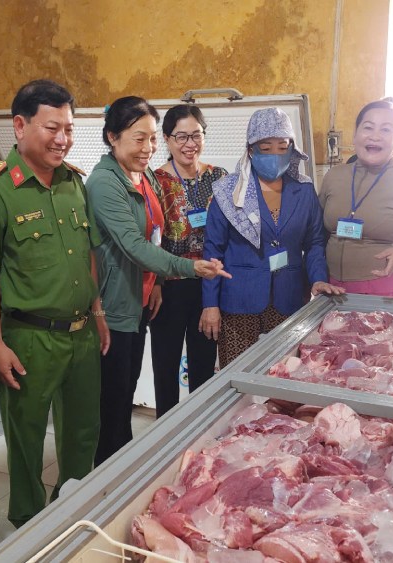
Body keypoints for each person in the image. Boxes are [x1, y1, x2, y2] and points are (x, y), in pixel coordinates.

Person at [0, 80, 107, 528]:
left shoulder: (73, 183)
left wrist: (98, 313)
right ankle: (30, 524)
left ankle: (75, 513)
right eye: (53, 128)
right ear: (20, 126)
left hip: (81, 332)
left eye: (69, 128)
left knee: (83, 431)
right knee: (25, 437)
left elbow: (88, 254)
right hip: (28, 337)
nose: (63, 139)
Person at [87, 96, 230, 465]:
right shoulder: (110, 182)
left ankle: (139, 459)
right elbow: (136, 244)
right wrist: (185, 270)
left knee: (129, 387)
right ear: (112, 137)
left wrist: (161, 281)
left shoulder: (145, 176)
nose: (148, 147)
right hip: (130, 298)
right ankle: (114, 471)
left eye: (150, 138)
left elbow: (152, 232)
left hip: (150, 292)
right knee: (120, 393)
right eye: (142, 138)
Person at [201, 108, 344, 367]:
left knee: (284, 373)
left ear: (292, 149)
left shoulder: (304, 189)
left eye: (282, 147)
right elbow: (213, 252)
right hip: (238, 302)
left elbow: (314, 243)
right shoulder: (228, 192)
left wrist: (319, 279)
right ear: (251, 150)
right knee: (238, 377)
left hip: (289, 300)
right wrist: (210, 304)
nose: (275, 155)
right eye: (265, 148)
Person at [150, 105, 228, 418]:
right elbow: (150, 238)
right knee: (165, 367)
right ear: (167, 140)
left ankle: (198, 434)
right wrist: (154, 282)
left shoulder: (219, 178)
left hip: (208, 287)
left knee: (203, 367)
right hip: (168, 288)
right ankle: (165, 438)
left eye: (196, 135)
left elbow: (226, 238)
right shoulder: (154, 180)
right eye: (181, 136)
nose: (189, 143)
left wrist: (217, 293)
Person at [319, 100, 393, 298]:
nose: (375, 136)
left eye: (386, 130)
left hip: (384, 287)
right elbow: (318, 233)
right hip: (332, 287)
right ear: (356, 134)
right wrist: (315, 275)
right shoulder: (334, 176)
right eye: (368, 127)